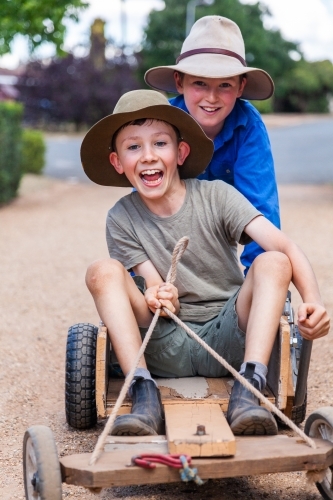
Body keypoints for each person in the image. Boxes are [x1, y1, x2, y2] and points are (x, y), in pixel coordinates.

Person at [81, 89, 329, 437]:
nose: (148, 156)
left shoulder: (217, 196)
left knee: (273, 260)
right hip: (163, 342)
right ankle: (142, 391)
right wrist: (159, 295)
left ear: (181, 152)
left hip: (227, 336)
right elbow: (156, 288)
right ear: (117, 162)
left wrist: (314, 302)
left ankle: (249, 386)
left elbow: (285, 246)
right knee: (102, 271)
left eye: (160, 144)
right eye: (133, 147)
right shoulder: (121, 218)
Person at [144, 15, 279, 273]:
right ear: (179, 82)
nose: (212, 97)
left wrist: (263, 281)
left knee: (267, 269)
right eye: (200, 83)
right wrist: (145, 282)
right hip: (164, 245)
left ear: (241, 87)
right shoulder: (158, 124)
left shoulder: (248, 126)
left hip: (221, 239)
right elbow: (141, 209)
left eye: (225, 84)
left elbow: (261, 209)